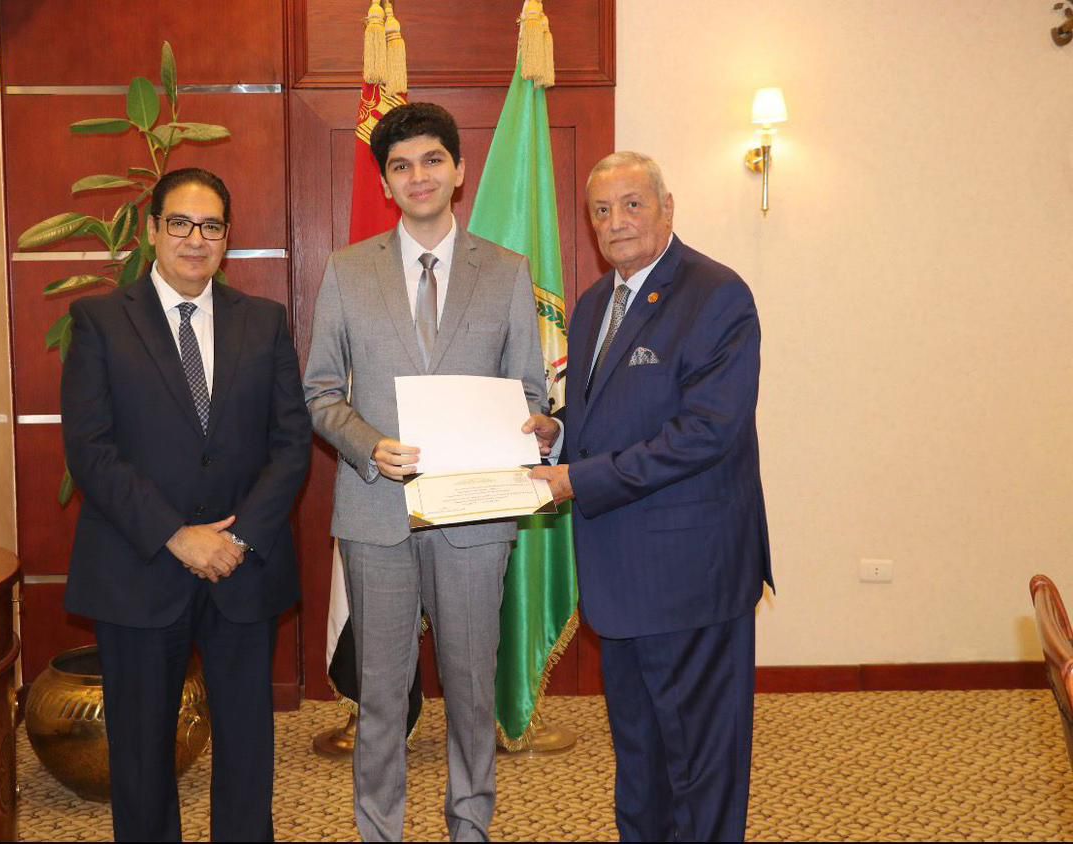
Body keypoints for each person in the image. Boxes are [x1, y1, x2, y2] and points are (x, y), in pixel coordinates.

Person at [303, 102, 549, 842]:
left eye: (433, 160)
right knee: (381, 695)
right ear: (385, 182)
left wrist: (535, 427)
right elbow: (320, 393)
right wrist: (368, 444)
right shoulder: (347, 271)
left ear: (459, 171)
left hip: (475, 516)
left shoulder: (506, 272)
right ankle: (380, 831)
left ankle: (470, 826)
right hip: (376, 511)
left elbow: (529, 392)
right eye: (402, 165)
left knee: (471, 691)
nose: (419, 176)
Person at [61, 167, 312, 842]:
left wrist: (239, 539)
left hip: (243, 568)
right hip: (139, 566)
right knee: (142, 757)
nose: (195, 239)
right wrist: (178, 535)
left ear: (227, 238)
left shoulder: (263, 322)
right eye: (180, 223)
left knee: (247, 750)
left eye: (211, 226)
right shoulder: (99, 321)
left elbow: (291, 443)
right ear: (152, 231)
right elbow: (90, 449)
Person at [530, 152, 774, 842]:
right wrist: (559, 434)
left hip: (691, 577)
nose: (617, 222)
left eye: (633, 204)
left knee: (700, 765)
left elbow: (707, 433)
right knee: (640, 758)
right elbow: (608, 415)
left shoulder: (716, 294)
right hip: (620, 578)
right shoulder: (592, 306)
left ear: (668, 208)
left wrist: (579, 480)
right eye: (602, 210)